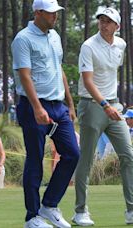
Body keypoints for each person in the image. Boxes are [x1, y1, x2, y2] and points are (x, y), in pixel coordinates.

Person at [11, 0, 80, 227]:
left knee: (72, 154)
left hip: (58, 106)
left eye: (56, 12)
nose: (55, 16)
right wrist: (37, 107)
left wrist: (70, 103)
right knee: (35, 159)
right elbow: (25, 75)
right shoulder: (23, 39)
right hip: (33, 107)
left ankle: (49, 205)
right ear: (38, 12)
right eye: (51, 13)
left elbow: (58, 69)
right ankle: (32, 217)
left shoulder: (55, 36)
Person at [74, 7, 133, 226]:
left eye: (109, 21)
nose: (103, 24)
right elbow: (88, 81)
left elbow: (111, 73)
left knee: (128, 156)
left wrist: (113, 105)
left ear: (117, 26)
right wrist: (105, 105)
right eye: (101, 20)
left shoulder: (121, 44)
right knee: (87, 160)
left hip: (113, 106)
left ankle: (131, 210)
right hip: (92, 106)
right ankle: (80, 211)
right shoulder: (88, 46)